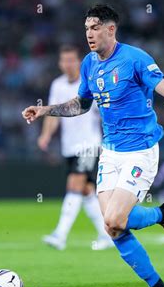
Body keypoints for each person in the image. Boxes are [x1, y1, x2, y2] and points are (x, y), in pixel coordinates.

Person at [23, 4, 164, 287]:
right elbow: (81, 104)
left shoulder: (135, 59)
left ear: (111, 29)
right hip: (110, 152)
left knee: (115, 218)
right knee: (112, 225)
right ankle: (160, 274)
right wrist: (45, 110)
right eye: (86, 29)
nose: (89, 34)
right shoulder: (89, 64)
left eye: (95, 27)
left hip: (141, 151)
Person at [38, 44, 113, 251]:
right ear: (60, 63)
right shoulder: (57, 85)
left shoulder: (89, 83)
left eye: (72, 60)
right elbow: (53, 114)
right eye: (64, 61)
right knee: (88, 191)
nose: (68, 64)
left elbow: (106, 112)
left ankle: (59, 235)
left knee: (74, 185)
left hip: (89, 145)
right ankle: (106, 235)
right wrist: (45, 135)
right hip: (69, 147)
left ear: (79, 62)